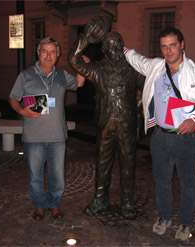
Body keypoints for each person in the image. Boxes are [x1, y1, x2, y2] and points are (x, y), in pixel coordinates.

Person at [124, 27, 195, 240]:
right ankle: (164, 216)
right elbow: (135, 58)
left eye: (172, 45)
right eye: (164, 46)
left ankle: (185, 223)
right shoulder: (155, 67)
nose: (168, 50)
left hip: (187, 138)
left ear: (182, 45)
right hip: (160, 136)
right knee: (161, 180)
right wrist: (115, 46)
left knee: (188, 182)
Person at [68, 16, 145, 220]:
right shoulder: (96, 70)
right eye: (111, 47)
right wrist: (85, 39)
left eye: (119, 47)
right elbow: (73, 60)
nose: (116, 51)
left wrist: (135, 107)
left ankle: (127, 202)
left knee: (128, 165)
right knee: (102, 164)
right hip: (104, 126)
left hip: (127, 126)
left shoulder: (132, 69)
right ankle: (100, 200)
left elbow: (150, 88)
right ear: (104, 49)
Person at [9, 37, 85, 220]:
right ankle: (39, 206)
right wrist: (22, 111)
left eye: (52, 52)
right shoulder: (25, 75)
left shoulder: (62, 75)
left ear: (58, 55)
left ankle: (54, 204)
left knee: (57, 176)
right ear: (38, 53)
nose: (48, 55)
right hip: (34, 136)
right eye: (44, 51)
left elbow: (79, 84)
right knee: (35, 176)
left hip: (58, 136)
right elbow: (13, 97)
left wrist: (82, 66)